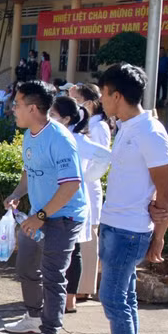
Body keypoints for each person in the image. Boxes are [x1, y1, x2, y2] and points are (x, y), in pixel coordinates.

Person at [84, 63, 168, 334]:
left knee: (112, 300)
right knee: (126, 299)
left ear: (116, 95)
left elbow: (167, 193)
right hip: (113, 225)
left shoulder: (150, 132)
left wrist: (159, 237)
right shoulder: (126, 127)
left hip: (130, 231)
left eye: (104, 94)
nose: (101, 100)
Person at [3, 80, 87, 334]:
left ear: (34, 108)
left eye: (17, 104)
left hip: (63, 217)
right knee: (26, 265)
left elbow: (71, 185)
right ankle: (33, 317)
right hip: (39, 216)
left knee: (53, 275)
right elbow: (29, 172)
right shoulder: (30, 134)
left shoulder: (60, 139)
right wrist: (16, 194)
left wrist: (40, 216)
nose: (12, 109)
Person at [50, 96, 111, 314]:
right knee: (59, 250)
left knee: (73, 250)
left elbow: (104, 155)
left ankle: (69, 299)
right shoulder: (56, 137)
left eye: (53, 114)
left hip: (73, 199)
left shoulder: (76, 139)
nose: (50, 118)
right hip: (55, 198)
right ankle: (56, 297)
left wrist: (86, 177)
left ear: (67, 118)